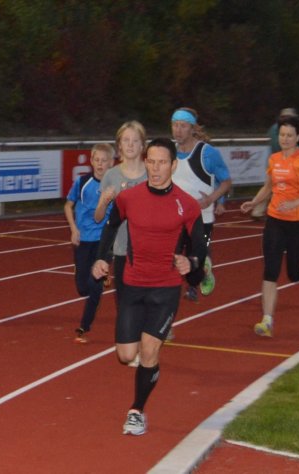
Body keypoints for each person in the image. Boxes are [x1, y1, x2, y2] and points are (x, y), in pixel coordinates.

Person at [92, 137, 207, 436]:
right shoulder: (129, 198)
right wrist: (102, 258)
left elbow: (200, 247)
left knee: (149, 350)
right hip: (132, 285)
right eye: (151, 162)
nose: (156, 169)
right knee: (125, 355)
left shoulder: (187, 205)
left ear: (173, 165)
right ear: (145, 163)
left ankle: (136, 410)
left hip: (165, 288)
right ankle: (145, 374)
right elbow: (111, 227)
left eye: (162, 163)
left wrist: (191, 263)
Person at [240, 115, 299, 337]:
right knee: (270, 271)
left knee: (294, 274)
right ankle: (267, 321)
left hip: (298, 223)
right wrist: (254, 202)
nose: (285, 139)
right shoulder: (274, 159)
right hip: (275, 220)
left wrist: (296, 203)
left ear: (297, 137)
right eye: (282, 135)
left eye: (289, 135)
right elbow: (268, 186)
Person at [170, 107, 232, 301]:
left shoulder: (208, 153)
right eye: (175, 125)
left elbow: (226, 182)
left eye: (183, 126)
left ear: (192, 128)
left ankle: (201, 274)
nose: (178, 130)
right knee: (171, 257)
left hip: (201, 218)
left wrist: (211, 200)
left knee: (195, 263)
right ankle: (175, 292)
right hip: (175, 218)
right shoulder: (169, 152)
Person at [94, 121, 148, 314]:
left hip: (148, 249)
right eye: (126, 140)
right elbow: (98, 217)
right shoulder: (111, 175)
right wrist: (103, 202)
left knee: (147, 301)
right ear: (119, 145)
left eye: (135, 140)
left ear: (143, 145)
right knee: (124, 306)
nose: (130, 144)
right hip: (121, 249)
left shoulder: (152, 173)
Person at [64, 143, 114, 343]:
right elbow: (68, 205)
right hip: (83, 239)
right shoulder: (82, 182)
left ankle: (84, 326)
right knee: (82, 288)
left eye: (104, 160)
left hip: (103, 241)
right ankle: (95, 278)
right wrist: (73, 229)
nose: (100, 164)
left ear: (111, 163)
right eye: (97, 160)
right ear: (92, 161)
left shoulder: (114, 187)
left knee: (94, 287)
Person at [251, 107, 299, 220]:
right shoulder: (282, 129)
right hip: (281, 161)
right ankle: (257, 211)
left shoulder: (274, 128)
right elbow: (282, 145)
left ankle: (258, 210)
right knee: (272, 187)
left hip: (277, 160)